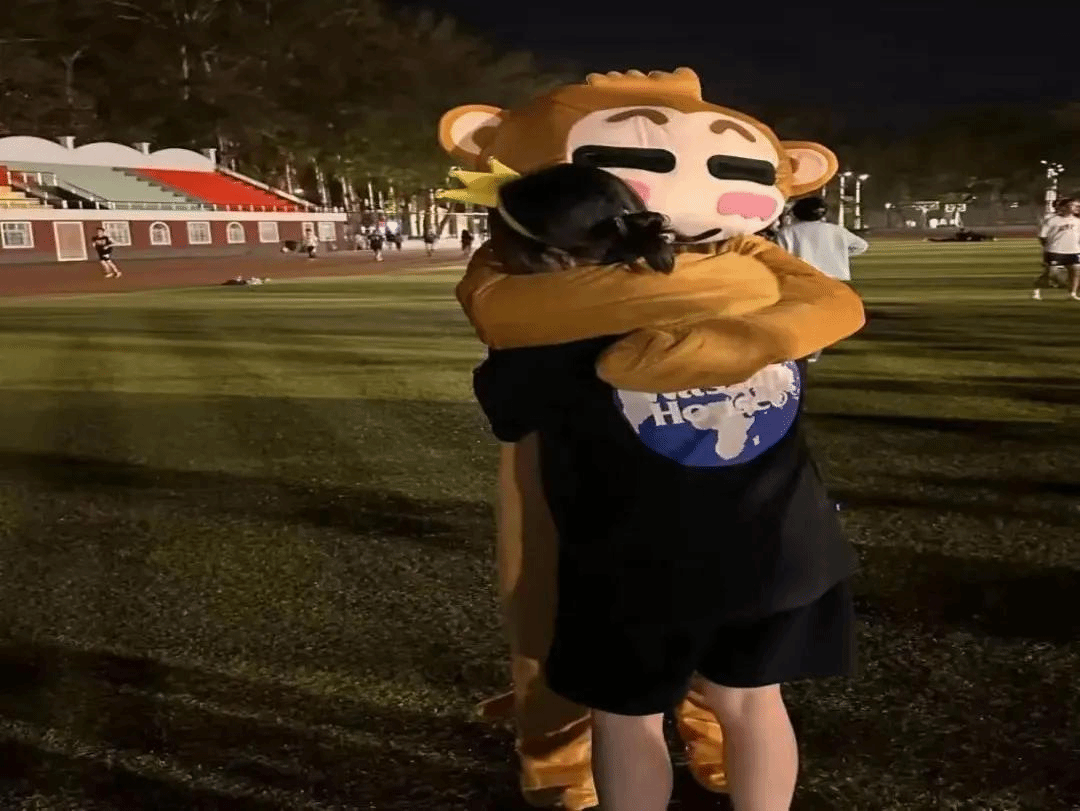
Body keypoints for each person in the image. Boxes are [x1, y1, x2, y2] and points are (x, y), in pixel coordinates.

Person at [469, 164, 858, 811]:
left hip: (636, 567)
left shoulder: (550, 340)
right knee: (752, 703)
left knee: (628, 719)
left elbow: (508, 412)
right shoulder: (748, 293)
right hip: (783, 545)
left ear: (547, 257)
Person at [776, 197, 868, 361]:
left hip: (803, 278)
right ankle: (813, 350)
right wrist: (839, 254)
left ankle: (804, 350)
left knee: (802, 316)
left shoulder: (787, 232)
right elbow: (861, 245)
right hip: (833, 278)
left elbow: (780, 256)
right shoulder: (836, 230)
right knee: (823, 317)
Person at [1033, 198, 1080, 301]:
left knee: (1076, 272)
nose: (1076, 208)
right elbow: (1042, 236)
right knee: (1050, 274)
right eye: (1073, 205)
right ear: (1064, 207)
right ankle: (1036, 289)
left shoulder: (1077, 221)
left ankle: (1072, 294)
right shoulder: (1052, 220)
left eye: (1077, 206)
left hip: (1074, 251)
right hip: (1055, 251)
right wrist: (1049, 247)